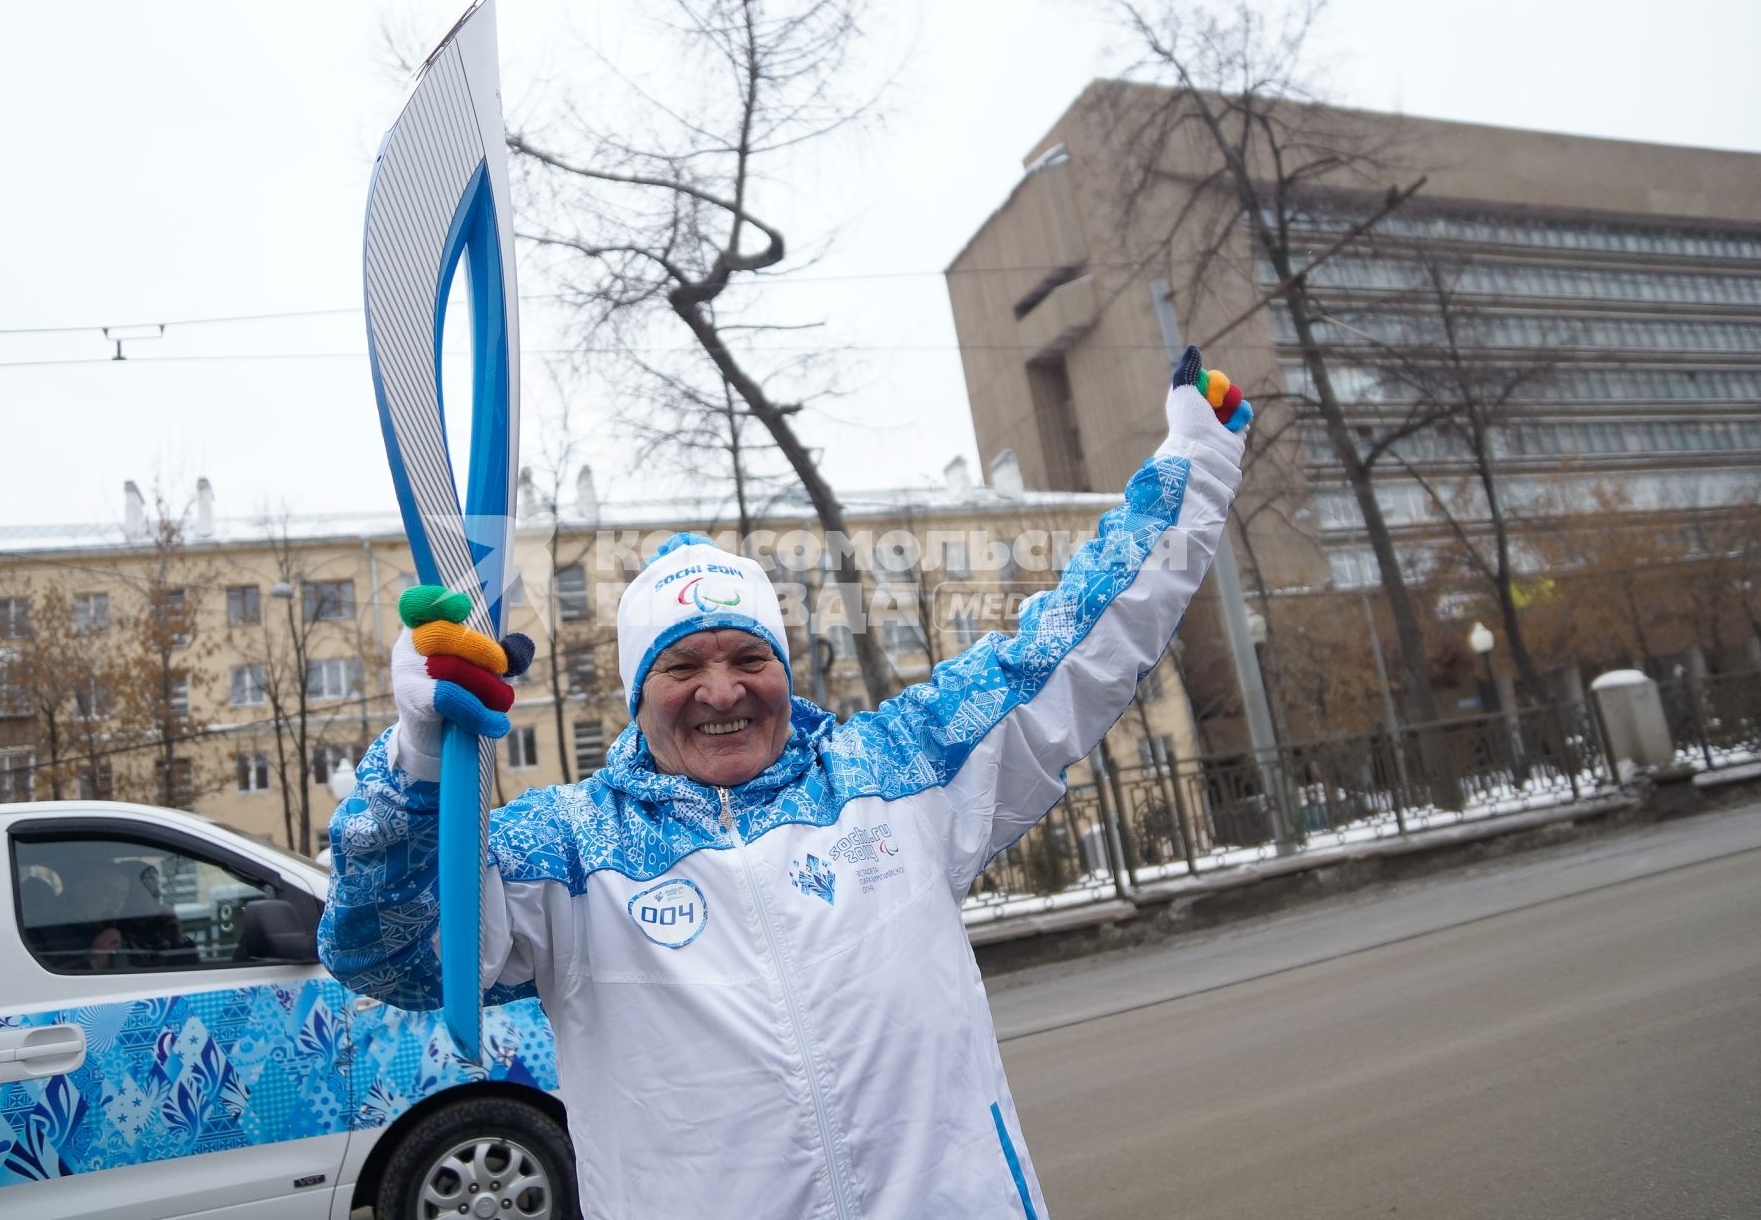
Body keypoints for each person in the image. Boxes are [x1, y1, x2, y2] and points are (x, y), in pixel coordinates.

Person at [321, 351, 1251, 1219]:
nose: (721, 691)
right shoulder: (565, 851)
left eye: (747, 656)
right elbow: (390, 958)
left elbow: (1078, 639)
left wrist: (1196, 466)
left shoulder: (897, 774)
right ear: (639, 693)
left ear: (786, 670)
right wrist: (415, 758)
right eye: (682, 665)